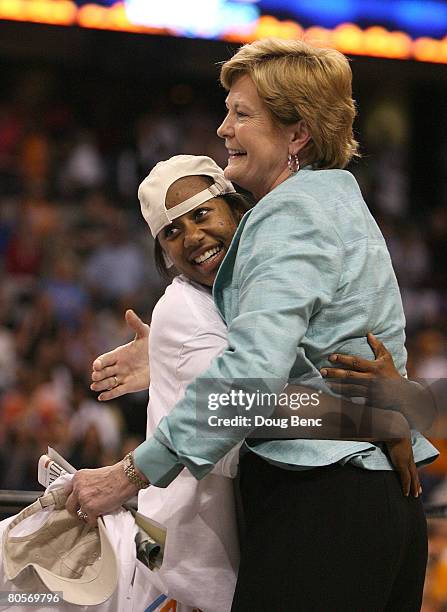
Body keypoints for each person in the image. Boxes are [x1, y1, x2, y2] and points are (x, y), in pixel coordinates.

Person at [67, 39, 438, 611]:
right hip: (385, 503)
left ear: (297, 134)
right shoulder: (342, 200)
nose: (223, 129)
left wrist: (131, 473)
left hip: (321, 509)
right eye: (170, 232)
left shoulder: (286, 213)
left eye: (241, 114)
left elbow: (250, 384)